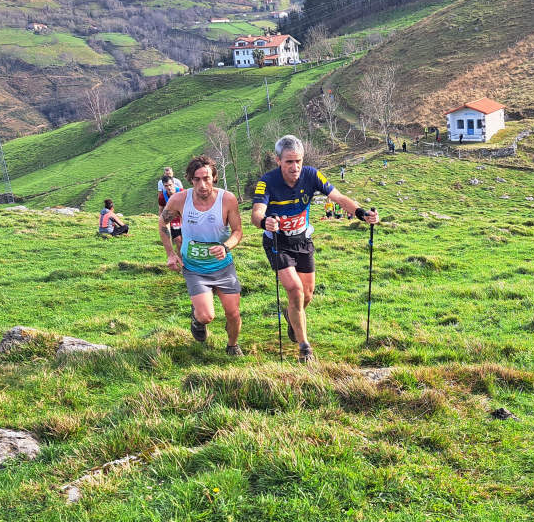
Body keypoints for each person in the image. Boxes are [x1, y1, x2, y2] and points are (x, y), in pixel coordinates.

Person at [251, 135, 378, 363]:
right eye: (289, 162)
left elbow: (338, 197)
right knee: (295, 290)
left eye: (298, 161)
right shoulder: (267, 181)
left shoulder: (311, 174)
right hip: (278, 243)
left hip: (303, 240)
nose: (295, 166)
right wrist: (264, 222)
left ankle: (292, 317)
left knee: (307, 295)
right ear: (279, 161)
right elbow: (257, 213)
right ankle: (304, 348)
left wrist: (361, 213)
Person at [159, 155, 244, 354]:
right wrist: (171, 254)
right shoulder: (180, 199)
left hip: (223, 267)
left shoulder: (227, 199)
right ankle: (198, 319)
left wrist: (226, 247)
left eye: (206, 178)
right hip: (195, 268)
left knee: (233, 313)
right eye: (197, 179)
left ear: (214, 177)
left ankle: (232, 345)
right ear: (190, 180)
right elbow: (163, 222)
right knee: (207, 316)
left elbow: (238, 231)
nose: (202, 185)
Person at [157, 176, 181, 243]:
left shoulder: (182, 192)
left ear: (173, 183)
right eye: (166, 186)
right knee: (178, 240)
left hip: (184, 220)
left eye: (170, 185)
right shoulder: (162, 197)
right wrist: (161, 223)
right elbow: (161, 210)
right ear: (163, 186)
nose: (169, 187)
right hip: (173, 222)